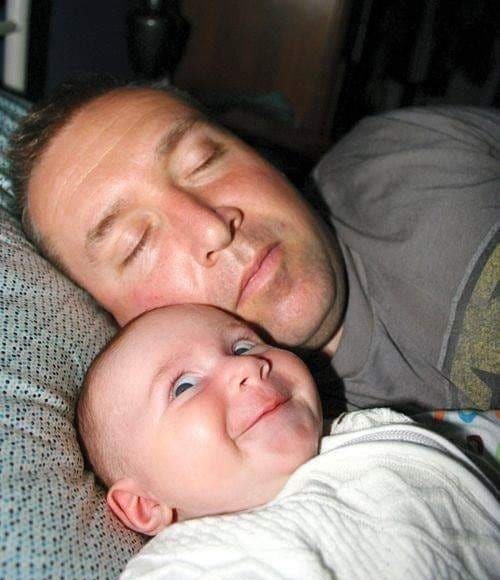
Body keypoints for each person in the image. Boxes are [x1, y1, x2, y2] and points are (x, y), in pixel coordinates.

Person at [8, 76, 499, 413]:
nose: (213, 227)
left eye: (203, 161)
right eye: (136, 244)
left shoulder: (415, 153)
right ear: (116, 326)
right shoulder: (266, 487)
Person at [76, 303, 499, 580]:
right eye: (184, 386)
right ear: (145, 504)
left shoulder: (369, 427)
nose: (247, 366)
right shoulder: (187, 569)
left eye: (243, 346)